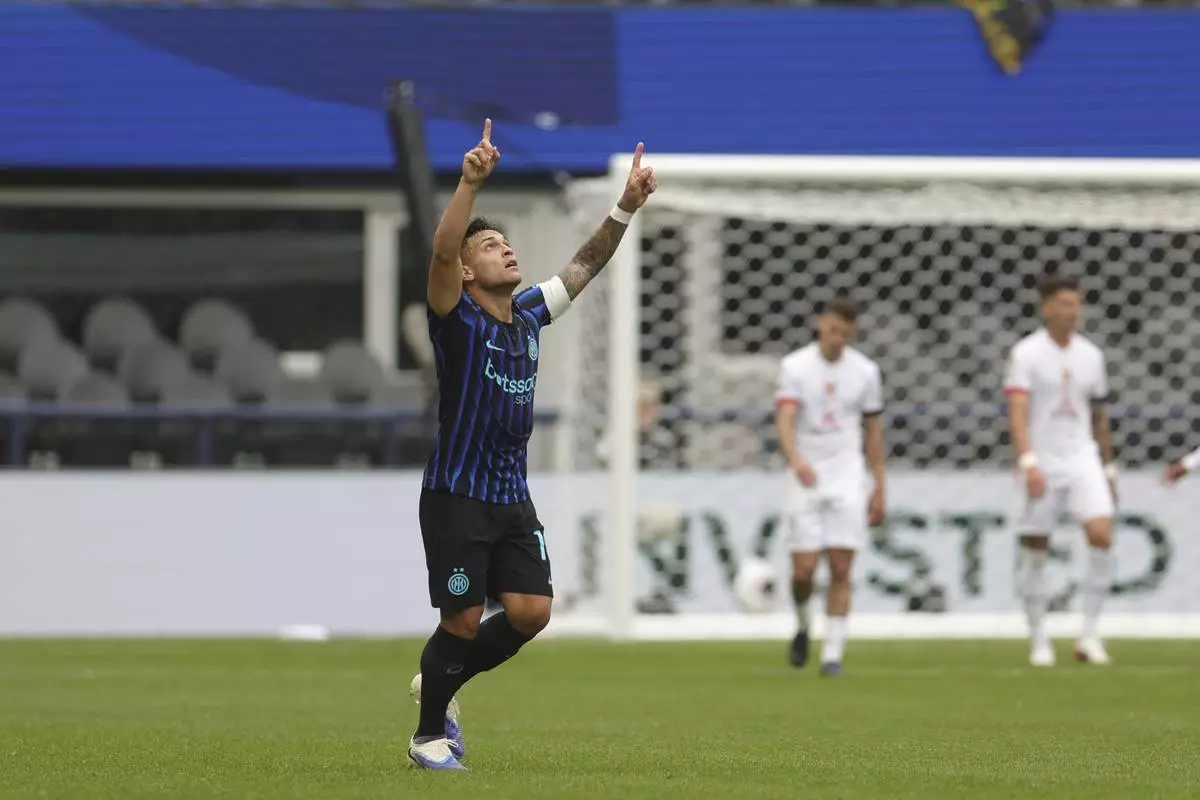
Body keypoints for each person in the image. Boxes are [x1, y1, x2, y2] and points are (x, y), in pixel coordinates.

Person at [407, 120, 657, 770]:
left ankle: (440, 683)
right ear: (468, 271)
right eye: (491, 247)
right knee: (462, 622)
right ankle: (429, 737)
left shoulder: (528, 317)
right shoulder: (455, 319)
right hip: (457, 496)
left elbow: (585, 265)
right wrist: (469, 184)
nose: (507, 250)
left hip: (512, 500)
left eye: (507, 242)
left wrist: (624, 207)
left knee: (531, 613)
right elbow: (440, 255)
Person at [1004, 275, 1117, 668]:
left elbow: (1099, 415)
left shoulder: (1092, 356)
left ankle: (1089, 634)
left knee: (1101, 535)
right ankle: (1038, 638)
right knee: (1036, 549)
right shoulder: (1026, 354)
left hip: (1083, 457)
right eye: (1065, 304)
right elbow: (1017, 412)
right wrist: (1028, 461)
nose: (1073, 312)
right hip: (1043, 461)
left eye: (1077, 304)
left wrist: (1109, 467)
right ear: (1046, 308)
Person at [774, 296, 886, 677]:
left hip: (848, 475)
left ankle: (832, 655)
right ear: (819, 324)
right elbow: (785, 418)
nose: (839, 339)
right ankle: (803, 623)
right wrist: (795, 459)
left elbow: (874, 431)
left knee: (841, 566)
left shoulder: (866, 372)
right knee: (804, 571)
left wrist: (879, 484)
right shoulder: (794, 367)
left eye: (846, 334)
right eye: (834, 330)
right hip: (806, 475)